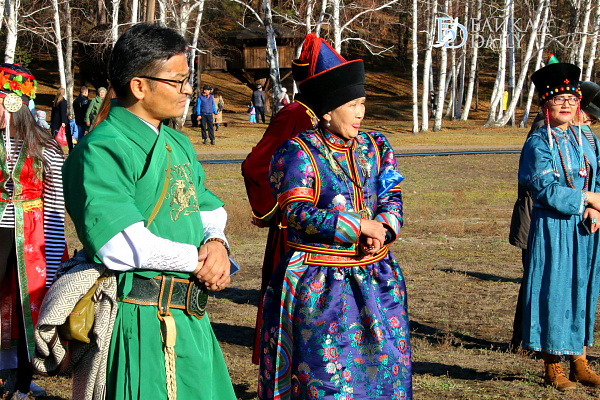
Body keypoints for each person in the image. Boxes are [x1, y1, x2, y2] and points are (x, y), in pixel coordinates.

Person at [62, 23, 236, 400]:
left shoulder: (177, 142)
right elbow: (118, 243)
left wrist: (217, 244)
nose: (188, 90)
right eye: (178, 81)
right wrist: (198, 261)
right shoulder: (100, 150)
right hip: (138, 319)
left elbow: (208, 207)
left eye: (187, 80)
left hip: (192, 318)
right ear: (140, 86)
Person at [258, 33, 412, 399]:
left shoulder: (377, 146)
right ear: (327, 110)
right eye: (352, 105)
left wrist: (383, 229)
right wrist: (359, 226)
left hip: (378, 281)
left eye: (363, 104)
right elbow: (296, 213)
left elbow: (391, 196)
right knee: (326, 384)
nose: (360, 113)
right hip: (320, 285)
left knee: (387, 378)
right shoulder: (298, 151)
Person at [518, 61, 600, 391]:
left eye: (571, 98)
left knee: (583, 289)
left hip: (586, 230)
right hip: (554, 228)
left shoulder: (587, 138)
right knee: (555, 291)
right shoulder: (538, 142)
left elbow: (596, 175)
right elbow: (545, 189)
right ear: (545, 104)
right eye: (558, 98)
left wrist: (594, 209)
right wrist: (588, 198)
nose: (566, 104)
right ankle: (552, 365)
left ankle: (579, 361)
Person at [242, 56, 319, 365]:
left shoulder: (323, 116)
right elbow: (256, 165)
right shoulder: (293, 115)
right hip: (293, 236)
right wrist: (275, 210)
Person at [0, 63, 66, 398]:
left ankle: (24, 382)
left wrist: (52, 259)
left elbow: (55, 205)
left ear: (12, 102)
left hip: (31, 238)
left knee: (29, 306)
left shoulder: (46, 147)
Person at [50, 87, 73, 151]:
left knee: (55, 136)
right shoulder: (63, 101)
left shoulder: (55, 101)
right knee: (67, 136)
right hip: (61, 121)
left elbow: (53, 112)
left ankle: (55, 149)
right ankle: (70, 149)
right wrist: (63, 121)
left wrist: (51, 121)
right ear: (63, 93)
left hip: (55, 121)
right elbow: (63, 112)